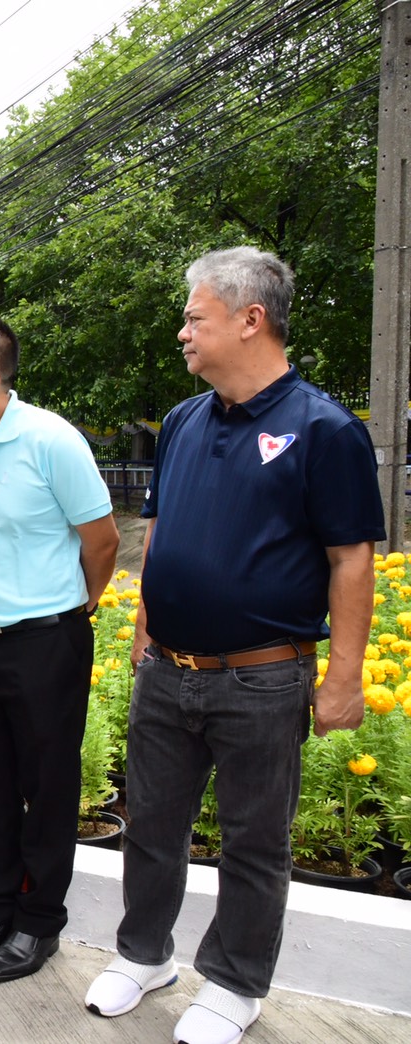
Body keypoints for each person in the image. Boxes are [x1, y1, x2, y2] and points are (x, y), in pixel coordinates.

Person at [83, 247, 383, 1044]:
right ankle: (144, 955)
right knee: (149, 825)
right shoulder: (182, 420)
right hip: (167, 671)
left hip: (263, 678)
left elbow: (351, 558)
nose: (183, 331)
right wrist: (146, 636)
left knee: (255, 839)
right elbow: (165, 534)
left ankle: (236, 984)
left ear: (251, 320)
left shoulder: (324, 429)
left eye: (195, 316)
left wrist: (345, 678)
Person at [0, 315, 120, 982]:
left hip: (47, 642)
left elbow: (102, 542)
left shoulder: (51, 442)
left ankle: (41, 922)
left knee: (49, 783)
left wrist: (76, 608)